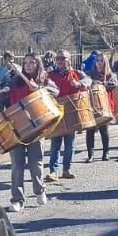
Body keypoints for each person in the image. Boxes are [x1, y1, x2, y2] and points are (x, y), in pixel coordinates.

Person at [4, 52, 52, 213]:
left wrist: (40, 89)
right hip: (17, 127)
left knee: (35, 163)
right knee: (17, 165)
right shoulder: (15, 81)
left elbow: (56, 91)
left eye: (32, 62)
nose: (28, 65)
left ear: (38, 64)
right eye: (26, 63)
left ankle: (40, 190)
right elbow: (4, 92)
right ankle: (17, 199)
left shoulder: (44, 79)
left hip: (36, 128)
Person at [46, 50, 91, 180]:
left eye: (63, 58)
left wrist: (78, 84)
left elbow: (88, 80)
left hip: (72, 113)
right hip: (56, 113)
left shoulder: (77, 73)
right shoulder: (50, 75)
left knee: (69, 144)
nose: (60, 61)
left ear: (69, 60)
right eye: (58, 58)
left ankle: (66, 169)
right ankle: (53, 171)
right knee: (55, 144)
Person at [83, 53, 113, 163]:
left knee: (104, 130)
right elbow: (84, 82)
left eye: (101, 61)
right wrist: (90, 82)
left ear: (105, 62)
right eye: (97, 61)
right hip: (90, 104)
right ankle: (90, 155)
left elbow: (114, 84)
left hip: (104, 104)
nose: (99, 63)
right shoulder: (90, 73)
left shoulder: (109, 74)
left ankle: (106, 153)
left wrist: (103, 83)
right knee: (90, 130)